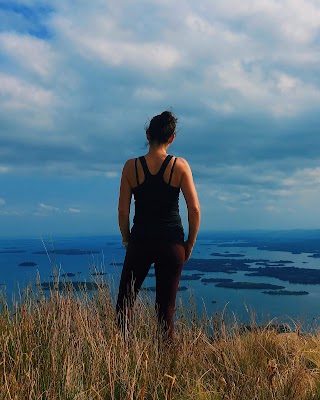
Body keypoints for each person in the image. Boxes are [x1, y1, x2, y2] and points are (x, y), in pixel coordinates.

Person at [116, 110, 200, 340]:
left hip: (140, 241)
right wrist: (189, 244)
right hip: (172, 243)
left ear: (147, 135)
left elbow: (123, 210)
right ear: (172, 138)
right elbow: (194, 209)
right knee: (166, 313)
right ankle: (168, 366)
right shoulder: (180, 166)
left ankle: (121, 359)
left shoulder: (130, 167)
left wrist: (126, 239)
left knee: (124, 306)